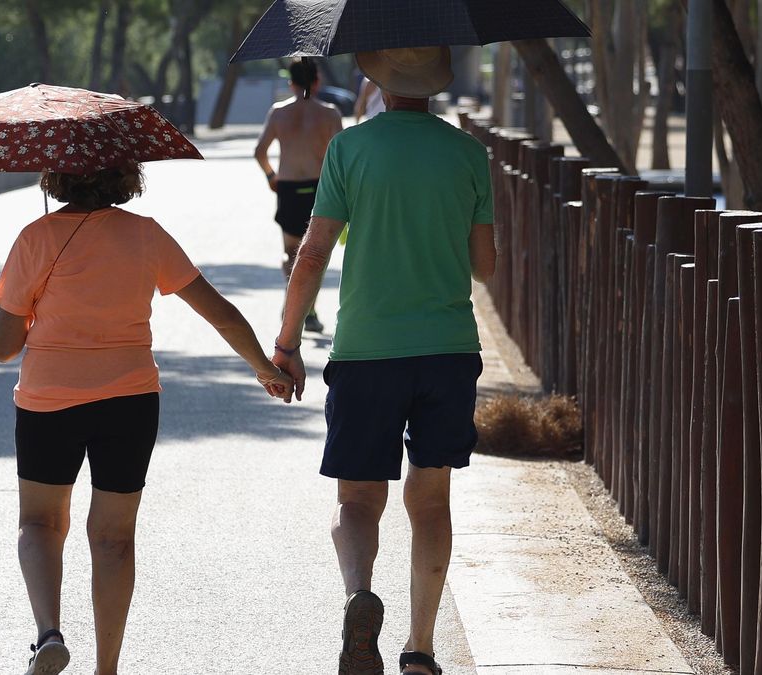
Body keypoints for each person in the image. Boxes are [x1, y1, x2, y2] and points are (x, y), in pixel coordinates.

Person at [0, 164, 293, 675]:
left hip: (48, 399)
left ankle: (48, 635)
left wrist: (32, 308)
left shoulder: (35, 239)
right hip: (129, 401)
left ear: (56, 177)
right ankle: (107, 669)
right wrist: (266, 369)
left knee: (39, 522)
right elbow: (217, 311)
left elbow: (2, 347)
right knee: (113, 537)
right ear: (124, 174)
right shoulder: (146, 235)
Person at [271, 46, 496, 675]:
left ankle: (360, 594)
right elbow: (485, 266)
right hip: (448, 350)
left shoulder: (350, 148)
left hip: (367, 348)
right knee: (431, 502)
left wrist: (287, 344)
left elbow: (312, 255)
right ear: (438, 80)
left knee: (358, 501)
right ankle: (421, 649)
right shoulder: (468, 153)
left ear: (376, 77)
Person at [254, 58, 343, 334]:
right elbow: (341, 156)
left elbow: (260, 151)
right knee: (315, 254)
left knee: (290, 253)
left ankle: (292, 299)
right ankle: (309, 310)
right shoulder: (329, 114)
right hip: (320, 190)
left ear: (291, 83)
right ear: (317, 81)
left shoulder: (279, 113)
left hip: (289, 188)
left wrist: (271, 176)